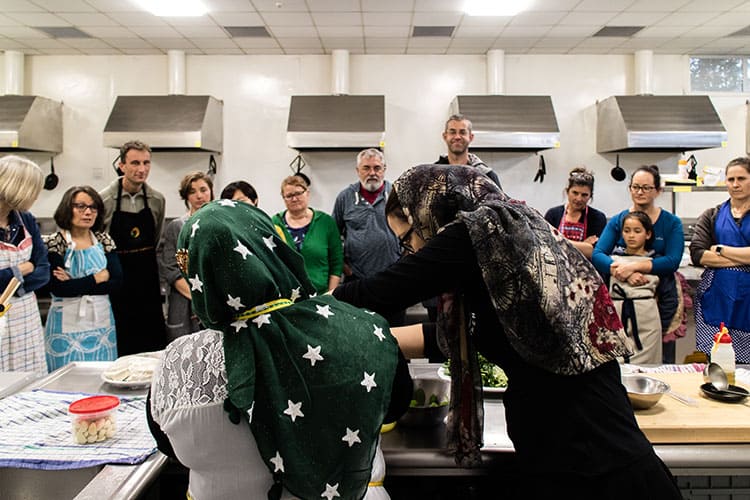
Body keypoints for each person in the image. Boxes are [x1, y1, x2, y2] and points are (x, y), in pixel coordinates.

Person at [333, 164, 683, 499]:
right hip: (571, 450)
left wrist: (310, 306)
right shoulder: (504, 243)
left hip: (591, 462)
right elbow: (453, 334)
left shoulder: (482, 228)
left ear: (429, 213)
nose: (410, 251)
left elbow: (382, 290)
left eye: (407, 239)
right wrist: (381, 339)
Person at [147, 200, 411, 500]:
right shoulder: (362, 331)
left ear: (196, 271)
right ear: (274, 249)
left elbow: (167, 444)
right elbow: (394, 405)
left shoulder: (178, 362)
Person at [592, 165, 684, 364]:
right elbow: (599, 254)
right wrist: (620, 270)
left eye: (646, 188)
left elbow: (672, 261)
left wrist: (635, 267)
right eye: (635, 187)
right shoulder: (618, 220)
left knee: (654, 360)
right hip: (620, 298)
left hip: (657, 299)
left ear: (658, 190)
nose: (640, 192)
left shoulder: (671, 222)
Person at [43, 186, 122, 371]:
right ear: (66, 208)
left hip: (102, 324)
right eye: (80, 206)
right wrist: (97, 277)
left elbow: (117, 283)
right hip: (65, 326)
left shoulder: (104, 240)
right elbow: (59, 289)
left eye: (93, 207)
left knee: (102, 377)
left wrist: (74, 283)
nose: (88, 212)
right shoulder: (55, 242)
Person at [99, 140, 167, 355]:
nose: (141, 169)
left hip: (147, 279)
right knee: (123, 342)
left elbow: (156, 240)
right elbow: (98, 243)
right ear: (121, 165)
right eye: (135, 163)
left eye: (146, 163)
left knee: (152, 346)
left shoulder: (157, 200)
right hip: (118, 280)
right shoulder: (104, 200)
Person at [332, 148, 404, 326]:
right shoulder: (345, 197)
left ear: (384, 169)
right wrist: (344, 268)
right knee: (361, 335)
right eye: (366, 168)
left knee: (395, 336)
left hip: (394, 280)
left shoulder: (398, 195)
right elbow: (333, 238)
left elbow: (414, 234)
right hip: (357, 281)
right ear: (358, 171)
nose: (372, 173)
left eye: (377, 168)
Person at [690, 156, 750, 363]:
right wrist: (744, 258)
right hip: (718, 296)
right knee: (717, 361)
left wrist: (721, 249)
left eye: (741, 178)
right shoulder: (712, 215)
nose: (735, 184)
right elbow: (698, 254)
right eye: (730, 179)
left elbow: (711, 253)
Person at [0, 155, 49, 375]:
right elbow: (31, 267)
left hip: (26, 319)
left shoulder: (26, 220)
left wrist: (11, 281)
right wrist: (20, 269)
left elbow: (43, 270)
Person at [160, 172, 213, 341]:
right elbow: (172, 270)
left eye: (203, 190)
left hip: (215, 303)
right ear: (186, 196)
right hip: (185, 304)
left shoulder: (220, 225)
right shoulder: (177, 227)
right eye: (192, 191)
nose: (199, 196)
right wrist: (199, 298)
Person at [272, 175, 343, 294]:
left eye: (298, 193)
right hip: (286, 296)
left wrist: (330, 295)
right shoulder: (274, 223)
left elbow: (336, 263)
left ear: (307, 193)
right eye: (289, 196)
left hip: (321, 296)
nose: (294, 199)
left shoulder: (326, 222)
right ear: (283, 198)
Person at [609, 211, 663, 364]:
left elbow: (668, 296)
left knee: (647, 368)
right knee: (615, 367)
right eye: (627, 231)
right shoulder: (611, 260)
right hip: (617, 317)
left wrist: (665, 325)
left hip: (648, 321)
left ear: (648, 234)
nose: (631, 236)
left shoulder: (657, 261)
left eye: (637, 231)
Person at [544, 167, 607, 259]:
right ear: (567, 191)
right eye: (575, 193)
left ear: (590, 196)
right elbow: (546, 245)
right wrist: (583, 245)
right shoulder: (553, 214)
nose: (579, 199)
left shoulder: (597, 217)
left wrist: (558, 241)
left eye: (584, 195)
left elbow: (592, 252)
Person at [436, 113, 501, 187]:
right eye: (453, 132)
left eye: (462, 132)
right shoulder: (432, 174)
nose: (457, 137)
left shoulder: (487, 176)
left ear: (471, 137)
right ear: (445, 136)